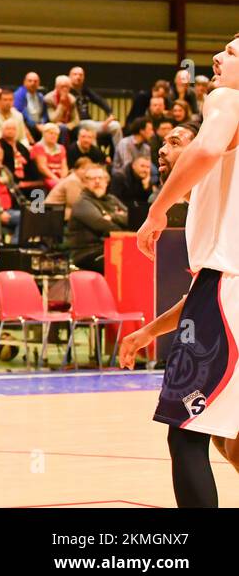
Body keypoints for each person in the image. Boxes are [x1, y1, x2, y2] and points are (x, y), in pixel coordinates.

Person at [122, 37, 239, 508]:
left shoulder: (226, 98)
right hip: (222, 290)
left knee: (186, 434)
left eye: (232, 53)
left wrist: (157, 209)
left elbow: (209, 146)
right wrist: (147, 331)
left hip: (228, 289)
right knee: (227, 438)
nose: (217, 58)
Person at [65, 164, 128, 271]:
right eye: (93, 179)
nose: (97, 181)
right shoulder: (82, 203)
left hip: (110, 248)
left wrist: (112, 217)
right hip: (87, 253)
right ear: (85, 183)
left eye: (101, 178)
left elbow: (132, 219)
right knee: (127, 263)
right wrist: (119, 218)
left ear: (107, 181)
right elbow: (103, 226)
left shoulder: (112, 199)